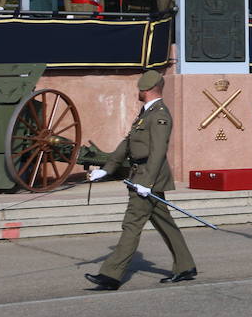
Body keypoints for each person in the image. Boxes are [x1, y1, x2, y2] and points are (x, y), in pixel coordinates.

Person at [84, 70, 197, 290]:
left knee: (132, 224)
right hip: (140, 173)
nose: (138, 92)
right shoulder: (146, 114)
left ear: (147, 90)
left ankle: (111, 275)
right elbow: (127, 144)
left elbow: (158, 151)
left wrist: (148, 182)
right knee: (164, 222)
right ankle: (185, 266)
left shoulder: (159, 115)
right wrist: (106, 169)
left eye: (140, 89)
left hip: (147, 175)